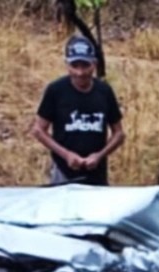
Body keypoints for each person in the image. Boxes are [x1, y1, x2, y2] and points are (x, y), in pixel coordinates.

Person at [32, 35, 124, 186]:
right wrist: (66, 155)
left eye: (85, 66)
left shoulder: (104, 91)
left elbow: (119, 133)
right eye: (75, 66)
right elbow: (38, 130)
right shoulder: (56, 90)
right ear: (67, 65)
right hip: (63, 171)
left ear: (94, 64)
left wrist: (99, 155)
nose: (80, 73)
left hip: (97, 173)